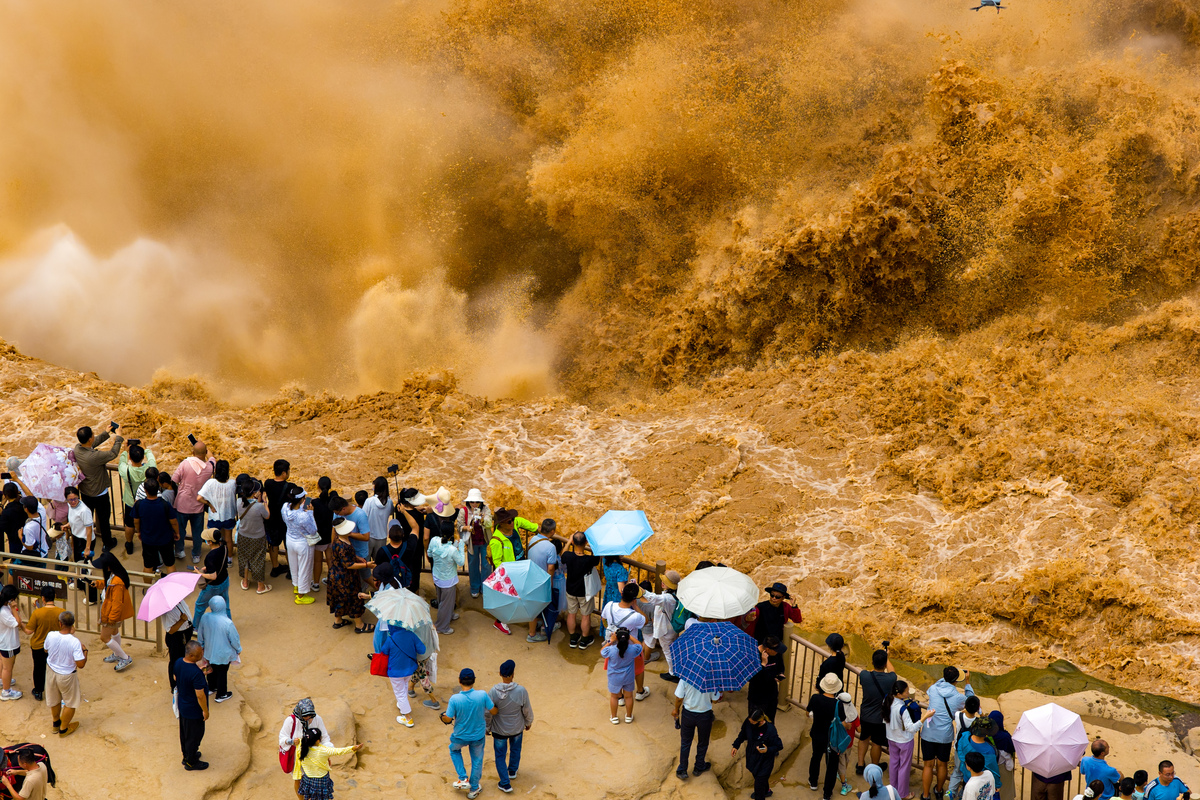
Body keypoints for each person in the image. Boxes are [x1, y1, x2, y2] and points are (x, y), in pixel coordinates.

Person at [440, 668, 497, 800]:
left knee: (454, 751)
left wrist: (443, 717)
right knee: (477, 761)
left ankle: (463, 778)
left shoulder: (454, 699)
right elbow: (493, 711)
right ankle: (474, 788)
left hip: (460, 736)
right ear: (474, 681)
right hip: (478, 736)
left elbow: (448, 719)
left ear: (459, 681)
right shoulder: (482, 695)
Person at [921, 667, 974, 800]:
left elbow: (939, 684)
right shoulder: (958, 698)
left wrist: (946, 678)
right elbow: (971, 702)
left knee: (928, 765)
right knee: (942, 764)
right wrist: (967, 682)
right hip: (944, 736)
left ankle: (925, 795)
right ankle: (939, 791)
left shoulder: (933, 689)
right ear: (956, 681)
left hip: (928, 732)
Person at [72, 423, 123, 552]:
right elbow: (113, 453)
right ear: (90, 438)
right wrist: (119, 437)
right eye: (93, 435)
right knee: (104, 519)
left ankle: (86, 541)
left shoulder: (77, 449)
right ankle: (108, 543)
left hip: (85, 492)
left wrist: (106, 433)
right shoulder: (95, 457)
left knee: (87, 518)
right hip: (100, 494)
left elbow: (91, 445)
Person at [487, 659, 534, 794]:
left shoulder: (493, 692)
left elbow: (488, 712)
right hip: (516, 728)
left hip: (499, 730)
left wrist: (487, 727)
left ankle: (505, 783)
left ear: (500, 674)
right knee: (515, 750)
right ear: (513, 674)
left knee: (500, 756)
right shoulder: (521, 690)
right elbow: (526, 709)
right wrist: (528, 722)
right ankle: (512, 771)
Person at [601, 583, 651, 701]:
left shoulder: (609, 606)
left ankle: (619, 697)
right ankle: (640, 691)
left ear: (622, 593)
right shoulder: (634, 616)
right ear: (634, 599)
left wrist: (610, 631)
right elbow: (646, 621)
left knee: (615, 669)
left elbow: (603, 619)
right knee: (638, 669)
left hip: (613, 644)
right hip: (631, 648)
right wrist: (636, 607)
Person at [885, 680, 934, 800]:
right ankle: (902, 794)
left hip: (891, 737)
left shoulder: (886, 701)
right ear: (900, 694)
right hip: (904, 740)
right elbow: (911, 728)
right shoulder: (902, 709)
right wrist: (924, 718)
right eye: (906, 691)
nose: (908, 693)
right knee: (904, 767)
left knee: (894, 763)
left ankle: (893, 789)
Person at [171, 440, 216, 564]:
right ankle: (196, 554)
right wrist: (208, 453)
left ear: (192, 452)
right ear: (205, 452)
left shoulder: (185, 463)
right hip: (199, 505)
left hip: (182, 504)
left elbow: (174, 479)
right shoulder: (209, 467)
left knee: (180, 530)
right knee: (197, 532)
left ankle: (179, 551)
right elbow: (212, 458)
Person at [44, 610, 87, 737]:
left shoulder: (51, 635)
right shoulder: (75, 642)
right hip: (67, 675)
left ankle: (56, 723)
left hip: (51, 670)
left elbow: (46, 649)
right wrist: (85, 651)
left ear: (60, 623)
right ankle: (63, 729)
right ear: (72, 625)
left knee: (54, 699)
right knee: (70, 702)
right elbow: (81, 664)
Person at [378, 618, 426, 728]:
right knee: (404, 687)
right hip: (409, 668)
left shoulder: (391, 639)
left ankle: (408, 718)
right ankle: (402, 704)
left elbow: (384, 651)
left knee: (399, 692)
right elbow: (422, 650)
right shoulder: (411, 634)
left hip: (395, 671)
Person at [292, 726, 363, 800]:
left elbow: (298, 742)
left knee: (310, 796)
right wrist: (352, 748)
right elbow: (339, 751)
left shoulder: (301, 748)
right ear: (317, 741)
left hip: (308, 778)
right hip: (321, 780)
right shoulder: (323, 751)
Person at [91, 552, 134, 672]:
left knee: (104, 637)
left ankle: (125, 657)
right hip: (112, 613)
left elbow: (117, 603)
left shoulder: (118, 582)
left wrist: (111, 619)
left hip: (112, 614)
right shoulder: (115, 576)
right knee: (114, 632)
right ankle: (117, 653)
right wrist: (99, 583)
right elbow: (108, 584)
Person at [808, 672, 848, 799]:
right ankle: (827, 794)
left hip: (817, 733)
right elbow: (843, 723)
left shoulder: (815, 698)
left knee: (816, 756)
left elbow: (808, 712)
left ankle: (813, 782)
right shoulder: (838, 704)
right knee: (832, 765)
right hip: (832, 739)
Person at [673, 676, 720, 781]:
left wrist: (676, 710)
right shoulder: (713, 679)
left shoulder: (686, 677)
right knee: (703, 742)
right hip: (704, 715)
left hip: (688, 714)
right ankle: (699, 767)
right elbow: (715, 700)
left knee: (685, 742)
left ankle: (682, 769)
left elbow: (679, 697)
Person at [858, 649, 897, 775]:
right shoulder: (890, 679)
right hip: (880, 718)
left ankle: (860, 765)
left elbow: (869, 671)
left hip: (865, 715)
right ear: (885, 663)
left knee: (863, 739)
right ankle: (874, 767)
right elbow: (892, 671)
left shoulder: (864, 675)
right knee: (876, 743)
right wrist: (887, 658)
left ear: (872, 662)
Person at [732, 707, 784, 800]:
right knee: (757, 777)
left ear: (760, 721)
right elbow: (743, 734)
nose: (750, 724)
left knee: (758, 786)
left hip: (765, 761)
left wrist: (767, 750)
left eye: (753, 723)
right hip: (752, 757)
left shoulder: (770, 729)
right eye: (750, 721)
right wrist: (736, 745)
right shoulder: (748, 722)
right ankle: (766, 791)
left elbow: (779, 746)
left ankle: (761, 793)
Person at [639, 570, 683, 681]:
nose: (662, 583)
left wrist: (640, 591)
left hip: (665, 630)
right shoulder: (675, 594)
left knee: (668, 652)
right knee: (673, 649)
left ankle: (673, 673)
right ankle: (677, 669)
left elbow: (653, 598)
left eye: (665, 581)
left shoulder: (667, 598)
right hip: (672, 628)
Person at [195, 596, 240, 703]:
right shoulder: (227, 623)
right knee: (222, 673)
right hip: (223, 654)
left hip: (209, 651)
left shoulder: (205, 617)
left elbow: (200, 633)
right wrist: (238, 649)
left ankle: (211, 687)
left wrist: (201, 645)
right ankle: (221, 694)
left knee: (210, 669)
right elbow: (234, 639)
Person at [328, 518, 370, 631]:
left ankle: (338, 620)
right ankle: (359, 625)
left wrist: (357, 557)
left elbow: (347, 556)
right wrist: (366, 565)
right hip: (346, 578)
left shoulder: (339, 539)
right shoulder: (342, 545)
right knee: (354, 598)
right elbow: (349, 565)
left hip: (336, 575)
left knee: (339, 598)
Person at [428, 512, 466, 635]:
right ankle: (442, 627)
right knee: (446, 603)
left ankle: (449, 615)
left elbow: (429, 553)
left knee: (441, 600)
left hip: (437, 577)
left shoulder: (434, 541)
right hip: (448, 580)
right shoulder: (452, 550)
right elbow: (461, 561)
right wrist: (460, 546)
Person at [561, 532, 600, 649]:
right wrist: (593, 544)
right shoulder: (589, 560)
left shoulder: (568, 556)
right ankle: (584, 640)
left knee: (571, 614)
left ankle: (573, 638)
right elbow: (597, 556)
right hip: (584, 592)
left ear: (573, 542)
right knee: (585, 616)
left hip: (571, 590)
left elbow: (563, 554)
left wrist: (568, 541)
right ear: (586, 543)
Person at [175, 640, 210, 770]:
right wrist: (205, 711)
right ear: (191, 656)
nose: (202, 654)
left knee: (185, 734)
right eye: (200, 653)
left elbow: (175, 677)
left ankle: (187, 756)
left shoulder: (179, 662)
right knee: (195, 736)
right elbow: (200, 695)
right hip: (194, 710)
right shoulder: (196, 674)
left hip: (183, 706)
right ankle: (191, 762)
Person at [133, 479, 179, 575]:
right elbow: (173, 522)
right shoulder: (165, 504)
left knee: (148, 566)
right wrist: (177, 532)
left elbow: (136, 521)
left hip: (148, 540)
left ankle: (147, 589)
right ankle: (171, 587)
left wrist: (139, 532)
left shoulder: (139, 504)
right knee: (170, 564)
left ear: (145, 490)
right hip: (165, 539)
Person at [117, 442, 156, 555]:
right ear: (143, 457)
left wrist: (124, 451)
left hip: (131, 502)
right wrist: (146, 449)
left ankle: (129, 544)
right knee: (146, 524)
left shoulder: (126, 470)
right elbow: (152, 461)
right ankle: (147, 544)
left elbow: (121, 463)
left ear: (130, 457)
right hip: (147, 501)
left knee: (129, 524)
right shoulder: (149, 469)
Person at [282, 486, 318, 605]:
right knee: (304, 568)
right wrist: (311, 513)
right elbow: (313, 530)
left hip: (290, 540)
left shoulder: (285, 508)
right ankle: (301, 595)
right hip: (303, 544)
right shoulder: (304, 516)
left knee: (294, 566)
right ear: (302, 499)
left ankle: (296, 586)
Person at [234, 476, 271, 593]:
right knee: (258, 559)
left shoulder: (239, 502)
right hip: (257, 537)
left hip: (243, 535)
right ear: (254, 493)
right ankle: (260, 586)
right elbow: (267, 515)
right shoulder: (259, 506)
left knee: (244, 558)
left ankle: (245, 582)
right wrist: (264, 501)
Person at [525, 521, 559, 642]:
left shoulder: (533, 539)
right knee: (537, 606)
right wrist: (549, 582)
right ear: (552, 532)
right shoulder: (551, 547)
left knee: (535, 604)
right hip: (541, 580)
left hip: (531, 577)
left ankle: (542, 624)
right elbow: (551, 567)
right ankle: (532, 634)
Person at [26, 586, 61, 702]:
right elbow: (71, 629)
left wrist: (20, 624)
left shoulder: (37, 613)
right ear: (55, 597)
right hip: (56, 646)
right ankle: (56, 690)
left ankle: (38, 691)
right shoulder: (61, 612)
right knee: (56, 668)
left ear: (43, 598)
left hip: (39, 646)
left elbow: (29, 630)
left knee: (39, 668)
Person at [197, 459, 236, 563]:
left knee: (214, 539)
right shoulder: (233, 483)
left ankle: (216, 559)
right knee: (228, 539)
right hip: (229, 516)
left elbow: (199, 498)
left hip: (215, 517)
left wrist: (209, 504)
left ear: (216, 470)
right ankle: (229, 559)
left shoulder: (210, 483)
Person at [279, 698, 333, 771]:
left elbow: (324, 737)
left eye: (310, 715)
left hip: (315, 756)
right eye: (305, 716)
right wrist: (292, 741)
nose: (308, 718)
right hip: (298, 757)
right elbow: (282, 738)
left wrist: (326, 754)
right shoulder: (291, 720)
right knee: (299, 779)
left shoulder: (317, 719)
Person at [602, 628, 642, 724]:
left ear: (617, 638)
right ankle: (628, 716)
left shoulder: (611, 650)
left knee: (614, 697)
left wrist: (611, 641)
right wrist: (630, 636)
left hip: (614, 677)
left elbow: (602, 651)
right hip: (628, 677)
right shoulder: (633, 649)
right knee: (628, 697)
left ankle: (614, 717)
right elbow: (640, 645)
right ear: (628, 638)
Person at [457, 489, 492, 598]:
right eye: (472, 501)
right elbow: (459, 526)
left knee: (486, 566)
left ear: (481, 502)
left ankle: (485, 587)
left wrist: (482, 519)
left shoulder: (485, 509)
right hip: (472, 542)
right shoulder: (463, 511)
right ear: (468, 502)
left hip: (484, 541)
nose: (475, 504)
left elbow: (489, 522)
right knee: (473, 565)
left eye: (477, 501)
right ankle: (475, 587)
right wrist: (466, 527)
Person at [263, 459, 294, 579]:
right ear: (284, 473)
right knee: (288, 546)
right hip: (285, 521)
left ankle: (275, 568)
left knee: (273, 545)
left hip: (271, 519)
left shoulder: (268, 483)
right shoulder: (291, 487)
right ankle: (291, 570)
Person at [193, 529, 231, 626]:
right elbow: (220, 562)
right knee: (225, 606)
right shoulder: (224, 546)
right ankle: (228, 625)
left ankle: (195, 627)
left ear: (209, 542)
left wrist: (199, 573)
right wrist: (207, 568)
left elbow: (213, 576)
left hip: (214, 586)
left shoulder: (210, 556)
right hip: (225, 580)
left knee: (199, 605)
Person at [947, 695, 982, 800]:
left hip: (959, 749)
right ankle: (963, 795)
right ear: (977, 708)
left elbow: (961, 711)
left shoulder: (958, 716)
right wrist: (980, 712)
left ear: (965, 706)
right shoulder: (978, 721)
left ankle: (950, 794)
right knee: (970, 774)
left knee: (957, 772)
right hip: (972, 750)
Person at [955, 717, 1001, 795]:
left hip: (967, 776)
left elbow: (959, 750)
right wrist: (997, 784)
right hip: (981, 782)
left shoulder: (965, 737)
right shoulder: (989, 750)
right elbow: (993, 769)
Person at [395, 488, 428, 594]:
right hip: (417, 547)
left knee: (405, 569)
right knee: (415, 571)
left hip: (403, 545)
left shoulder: (398, 509)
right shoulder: (418, 515)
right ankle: (415, 592)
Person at [747, 636, 786, 722]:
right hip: (757, 696)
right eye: (776, 650)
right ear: (768, 649)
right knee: (756, 721)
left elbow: (780, 665)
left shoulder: (776, 653)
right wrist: (763, 664)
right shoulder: (752, 656)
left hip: (771, 692)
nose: (778, 652)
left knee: (770, 720)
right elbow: (752, 678)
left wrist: (780, 673)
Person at [0, 585, 28, 700]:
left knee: (3, 664)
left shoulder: (3, 608)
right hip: (8, 644)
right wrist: (14, 609)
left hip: (4, 642)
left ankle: (3, 681)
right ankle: (6, 692)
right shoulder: (4, 611)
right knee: (8, 668)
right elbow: (17, 622)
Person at [162, 598, 194, 692]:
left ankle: (185, 680)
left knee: (186, 658)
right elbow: (171, 630)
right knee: (175, 661)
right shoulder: (167, 609)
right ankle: (175, 685)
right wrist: (181, 620)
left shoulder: (179, 600)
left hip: (186, 632)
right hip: (176, 637)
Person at [310, 476, 335, 589]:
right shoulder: (333, 501)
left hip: (319, 537)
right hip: (331, 535)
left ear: (318, 486)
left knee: (318, 562)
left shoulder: (315, 502)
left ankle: (316, 584)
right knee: (330, 560)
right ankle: (332, 581)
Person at [362, 476, 394, 558]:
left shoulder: (369, 501)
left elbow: (363, 516)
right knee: (379, 562)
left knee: (366, 562)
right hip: (382, 537)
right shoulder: (389, 502)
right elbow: (391, 512)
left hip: (369, 536)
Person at [989, 711, 1016, 800]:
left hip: (990, 767)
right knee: (1005, 791)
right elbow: (1012, 748)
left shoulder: (986, 734)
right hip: (1003, 768)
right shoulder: (1005, 736)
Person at [600, 555, 628, 637]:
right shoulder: (620, 569)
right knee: (618, 617)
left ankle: (608, 634)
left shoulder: (605, 561)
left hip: (609, 593)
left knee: (609, 615)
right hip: (617, 597)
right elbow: (621, 590)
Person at [2, 482, 26, 555]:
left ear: (5, 496)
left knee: (16, 560)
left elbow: (2, 526)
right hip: (27, 537)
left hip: (14, 540)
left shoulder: (7, 511)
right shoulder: (24, 504)